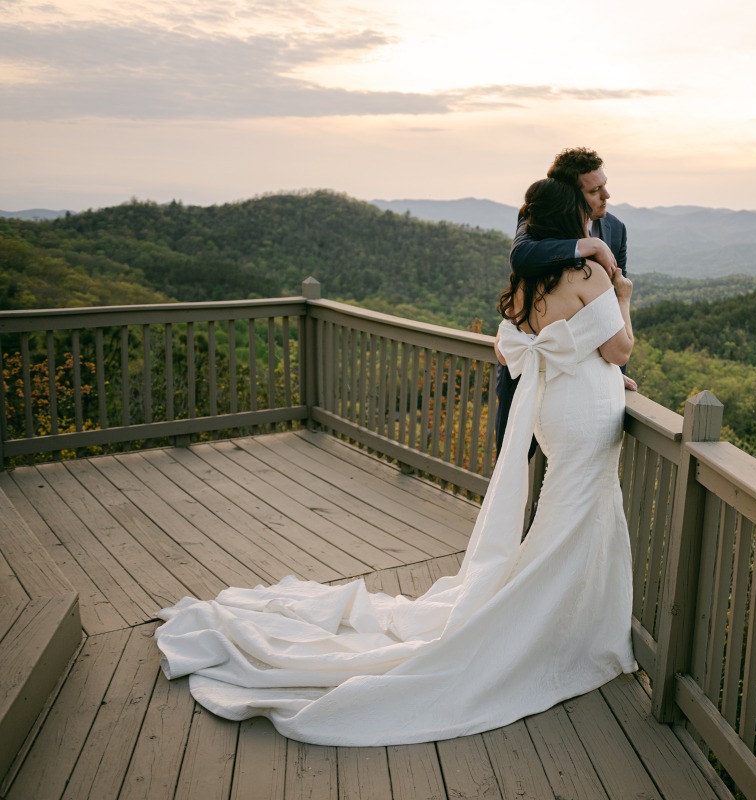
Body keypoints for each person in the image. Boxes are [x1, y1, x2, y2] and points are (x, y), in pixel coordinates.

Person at [152, 177, 637, 747]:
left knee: (566, 521)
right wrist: (624, 294)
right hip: (585, 412)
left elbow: (529, 343)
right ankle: (550, 634)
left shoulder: (532, 280)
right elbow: (619, 349)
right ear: (572, 218)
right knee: (572, 525)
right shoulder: (590, 275)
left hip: (557, 412)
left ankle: (567, 628)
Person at [494, 146, 635, 454]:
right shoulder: (533, 218)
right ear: (570, 195)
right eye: (595, 190)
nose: (606, 195)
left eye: (604, 185)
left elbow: (610, 305)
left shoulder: (616, 229)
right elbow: (522, 258)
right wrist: (589, 246)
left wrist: (613, 373)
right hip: (527, 372)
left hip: (578, 383)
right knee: (511, 462)